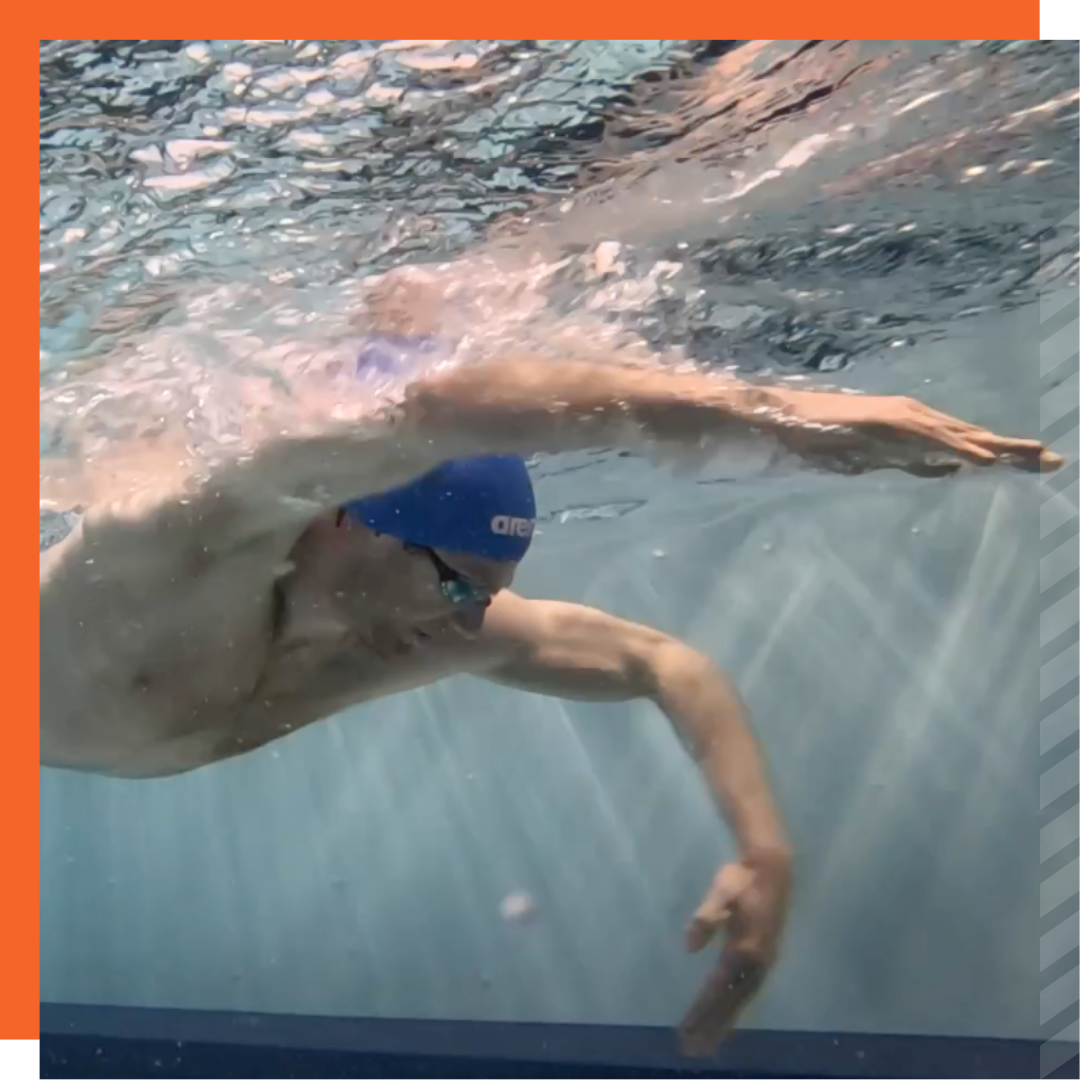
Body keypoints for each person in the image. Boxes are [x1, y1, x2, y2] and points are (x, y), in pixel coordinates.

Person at [40, 324, 1060, 1057]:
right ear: (350, 517)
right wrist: (778, 415)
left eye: (487, 596)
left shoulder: (415, 632)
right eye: (456, 582)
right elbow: (428, 409)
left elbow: (661, 664)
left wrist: (764, 849)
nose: (471, 621)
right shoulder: (170, 545)